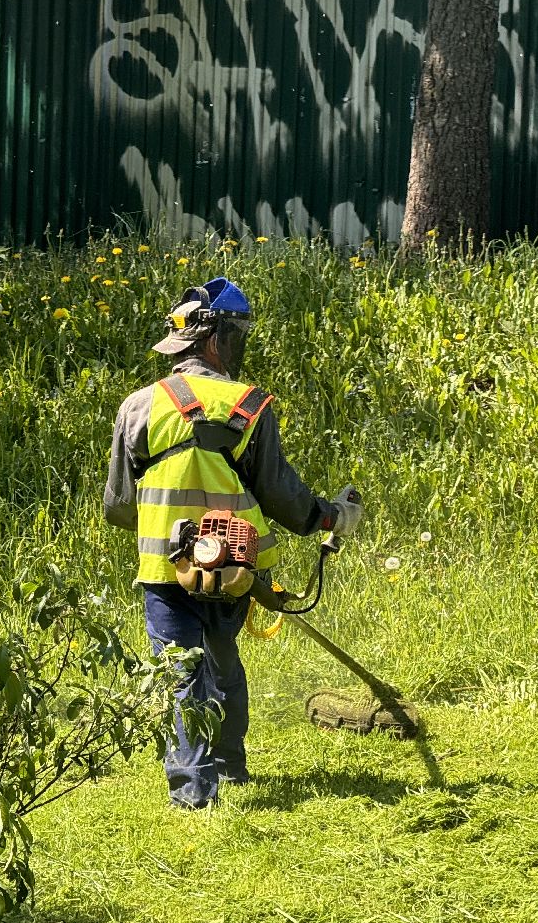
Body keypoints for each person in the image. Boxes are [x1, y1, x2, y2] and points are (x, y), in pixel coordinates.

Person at [104, 277, 361, 809]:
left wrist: (170, 522)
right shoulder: (250, 406)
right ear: (217, 339)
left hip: (163, 573)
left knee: (179, 675)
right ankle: (229, 769)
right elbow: (281, 496)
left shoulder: (138, 407)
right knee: (221, 665)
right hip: (234, 570)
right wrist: (332, 517)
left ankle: (194, 794)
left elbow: (119, 508)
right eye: (239, 335)